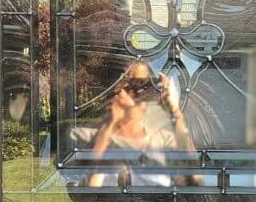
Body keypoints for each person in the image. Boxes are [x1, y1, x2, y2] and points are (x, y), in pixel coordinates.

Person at [78, 63, 200, 191]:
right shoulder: (88, 135)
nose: (132, 94)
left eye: (141, 85)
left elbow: (193, 181)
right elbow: (84, 195)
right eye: (125, 83)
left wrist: (174, 111)